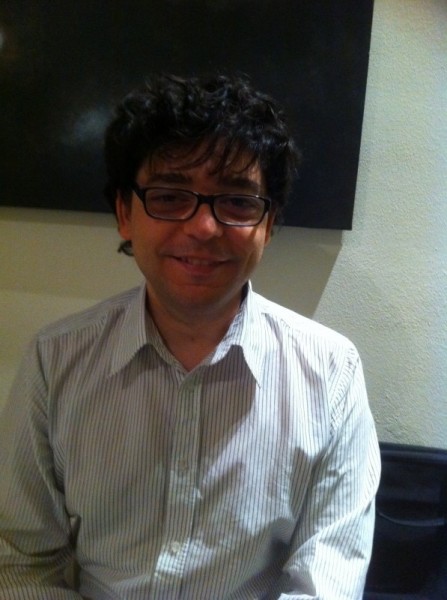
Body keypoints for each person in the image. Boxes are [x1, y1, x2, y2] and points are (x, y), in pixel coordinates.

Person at [0, 73, 380, 599]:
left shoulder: (332, 372)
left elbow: (327, 578)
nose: (203, 228)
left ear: (269, 224)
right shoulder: (56, 359)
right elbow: (20, 559)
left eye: (238, 201)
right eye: (170, 196)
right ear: (125, 214)